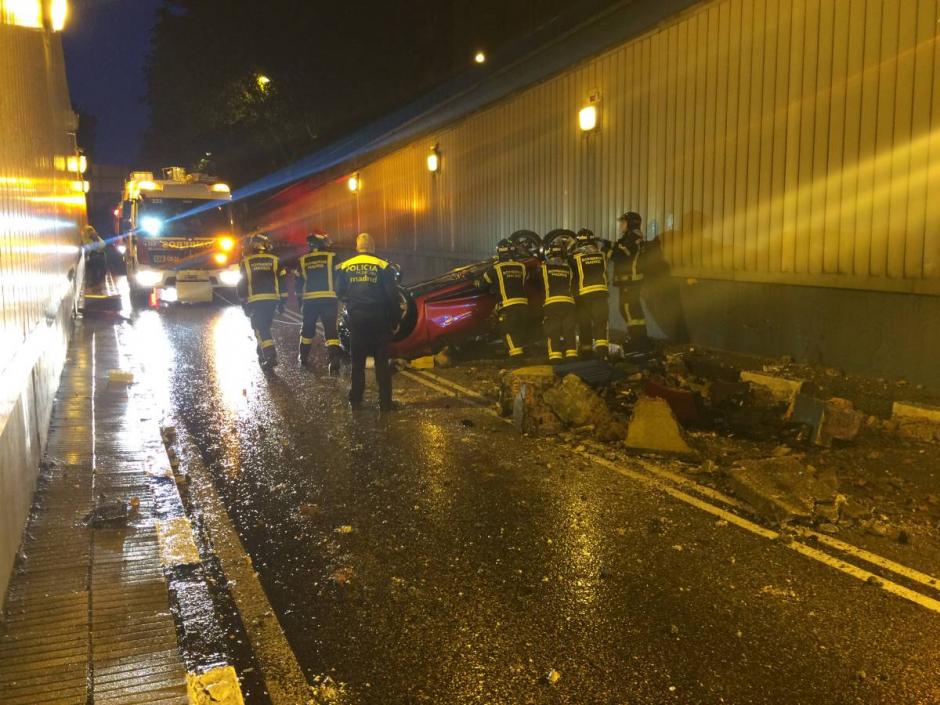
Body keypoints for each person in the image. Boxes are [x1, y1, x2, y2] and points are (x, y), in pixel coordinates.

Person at [335, 232, 400, 411]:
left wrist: (351, 303)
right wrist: (395, 320)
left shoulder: (346, 266)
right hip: (379, 318)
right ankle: (385, 402)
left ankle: (356, 398)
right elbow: (392, 296)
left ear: (357, 246)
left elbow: (339, 291)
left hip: (357, 319)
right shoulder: (383, 265)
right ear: (372, 246)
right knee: (381, 363)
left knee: (357, 362)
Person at [236, 233, 287, 370]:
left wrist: (243, 302)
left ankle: (270, 356)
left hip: (255, 301)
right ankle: (262, 354)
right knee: (265, 328)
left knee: (260, 328)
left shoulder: (246, 262)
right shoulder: (275, 260)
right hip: (272, 300)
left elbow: (242, 284)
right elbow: (282, 281)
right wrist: (283, 301)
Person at [295, 232, 341, 372]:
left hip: (310, 301)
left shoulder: (302, 260)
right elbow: (341, 277)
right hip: (329, 299)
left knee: (307, 330)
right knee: (331, 330)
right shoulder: (332, 256)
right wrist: (341, 293)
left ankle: (303, 357)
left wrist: (300, 301)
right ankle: (334, 358)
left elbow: (298, 283)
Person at [478, 238, 528, 361]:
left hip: (507, 305)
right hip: (523, 305)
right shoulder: (522, 266)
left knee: (507, 330)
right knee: (519, 329)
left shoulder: (495, 268)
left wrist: (476, 283)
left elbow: (482, 286)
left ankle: (516, 357)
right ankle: (520, 353)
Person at [569, 228, 610, 359]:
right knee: (601, 323)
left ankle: (586, 353)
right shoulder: (602, 254)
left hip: (583, 295)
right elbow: (609, 246)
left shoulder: (574, 257)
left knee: (584, 323)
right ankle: (602, 354)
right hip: (601, 294)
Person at [611, 211, 648, 344]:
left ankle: (636, 338)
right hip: (631, 280)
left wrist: (605, 251)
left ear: (631, 224)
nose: (621, 225)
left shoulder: (632, 238)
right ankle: (640, 337)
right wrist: (605, 242)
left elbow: (619, 256)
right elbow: (620, 247)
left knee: (627, 308)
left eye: (623, 222)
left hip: (629, 280)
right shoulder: (632, 236)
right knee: (633, 308)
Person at [540, 239, 578, 363]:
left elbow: (536, 282)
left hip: (552, 303)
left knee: (553, 329)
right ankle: (572, 355)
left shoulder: (544, 267)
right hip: (568, 302)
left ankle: (555, 357)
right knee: (569, 329)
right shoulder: (569, 268)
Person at [82, 225, 108, 290]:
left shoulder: (96, 237)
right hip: (90, 257)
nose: (90, 232)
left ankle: (100, 282)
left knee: (102, 268)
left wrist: (96, 239)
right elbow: (87, 248)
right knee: (94, 270)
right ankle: (94, 283)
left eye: (91, 230)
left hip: (98, 256)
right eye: (88, 231)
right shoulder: (84, 238)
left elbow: (103, 244)